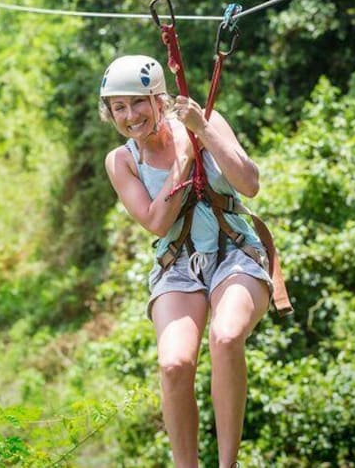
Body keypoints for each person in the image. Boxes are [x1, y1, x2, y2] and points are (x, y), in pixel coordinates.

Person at [100, 54, 273, 468]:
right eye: (119, 108)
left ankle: (227, 464)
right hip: (178, 263)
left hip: (235, 252)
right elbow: (157, 222)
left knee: (227, 337)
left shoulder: (207, 120)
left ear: (159, 100)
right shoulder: (122, 160)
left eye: (138, 103)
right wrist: (182, 164)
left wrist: (205, 133)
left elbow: (249, 184)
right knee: (175, 363)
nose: (130, 116)